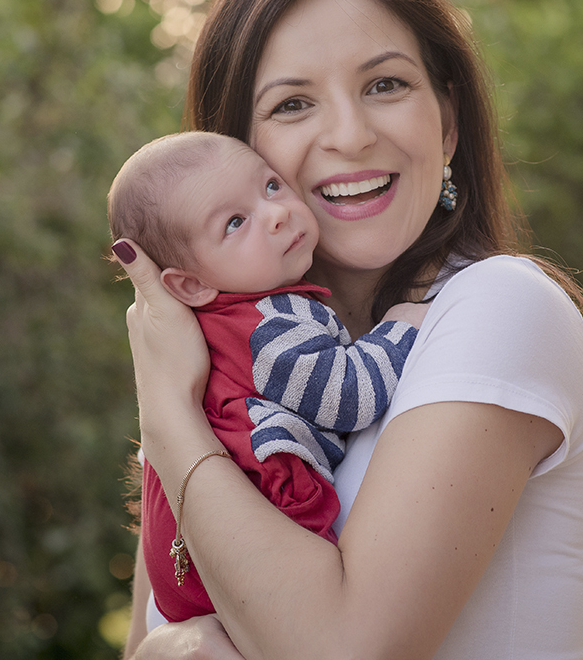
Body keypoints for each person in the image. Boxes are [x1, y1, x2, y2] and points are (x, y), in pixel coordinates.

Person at [117, 0, 583, 660]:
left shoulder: (501, 307)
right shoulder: (232, 394)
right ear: (229, 153)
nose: (349, 135)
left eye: (385, 85)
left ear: (446, 123)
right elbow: (150, 641)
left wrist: (164, 412)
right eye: (292, 104)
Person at [107, 131, 426, 622]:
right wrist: (403, 325)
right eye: (235, 222)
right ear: (190, 284)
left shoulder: (211, 333)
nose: (276, 213)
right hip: (257, 558)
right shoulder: (264, 330)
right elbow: (350, 394)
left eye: (272, 186)